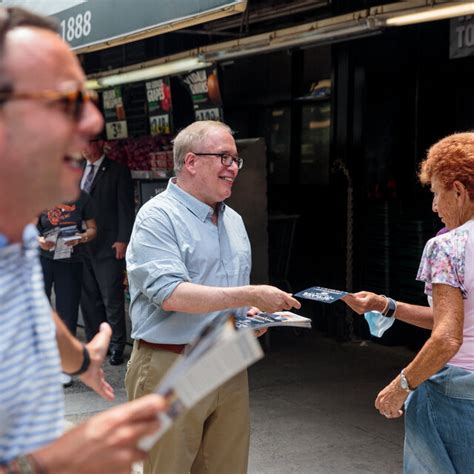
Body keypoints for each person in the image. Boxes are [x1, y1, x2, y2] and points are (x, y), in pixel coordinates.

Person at [0, 7, 165, 473]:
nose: (93, 121)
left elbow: (30, 306)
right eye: (66, 100)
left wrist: (79, 359)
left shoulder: (16, 237)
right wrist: (61, 460)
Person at [125, 120, 301, 474]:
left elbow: (224, 294)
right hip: (172, 361)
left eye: (236, 160)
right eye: (224, 157)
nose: (233, 167)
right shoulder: (157, 217)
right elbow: (171, 294)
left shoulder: (233, 220)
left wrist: (247, 314)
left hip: (228, 358)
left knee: (228, 467)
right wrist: (250, 293)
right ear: (191, 162)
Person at [342, 132, 474, 472]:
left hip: (456, 393)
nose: (433, 207)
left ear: (459, 191)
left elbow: (448, 337)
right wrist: (387, 305)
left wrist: (401, 386)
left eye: (436, 194)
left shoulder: (448, 247)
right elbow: (454, 319)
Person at [80, 139, 135, 365]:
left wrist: (123, 239)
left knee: (111, 298)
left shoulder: (117, 171)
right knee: (89, 298)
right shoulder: (77, 171)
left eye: (88, 142)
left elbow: (126, 207)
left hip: (109, 244)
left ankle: (116, 345)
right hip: (81, 245)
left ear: (100, 144)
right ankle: (96, 343)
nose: (83, 147)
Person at [38, 190, 97, 386]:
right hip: (43, 259)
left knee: (67, 312)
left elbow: (92, 229)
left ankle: (64, 365)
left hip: (71, 260)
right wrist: (40, 242)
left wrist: (81, 238)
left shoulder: (81, 197)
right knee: (40, 310)